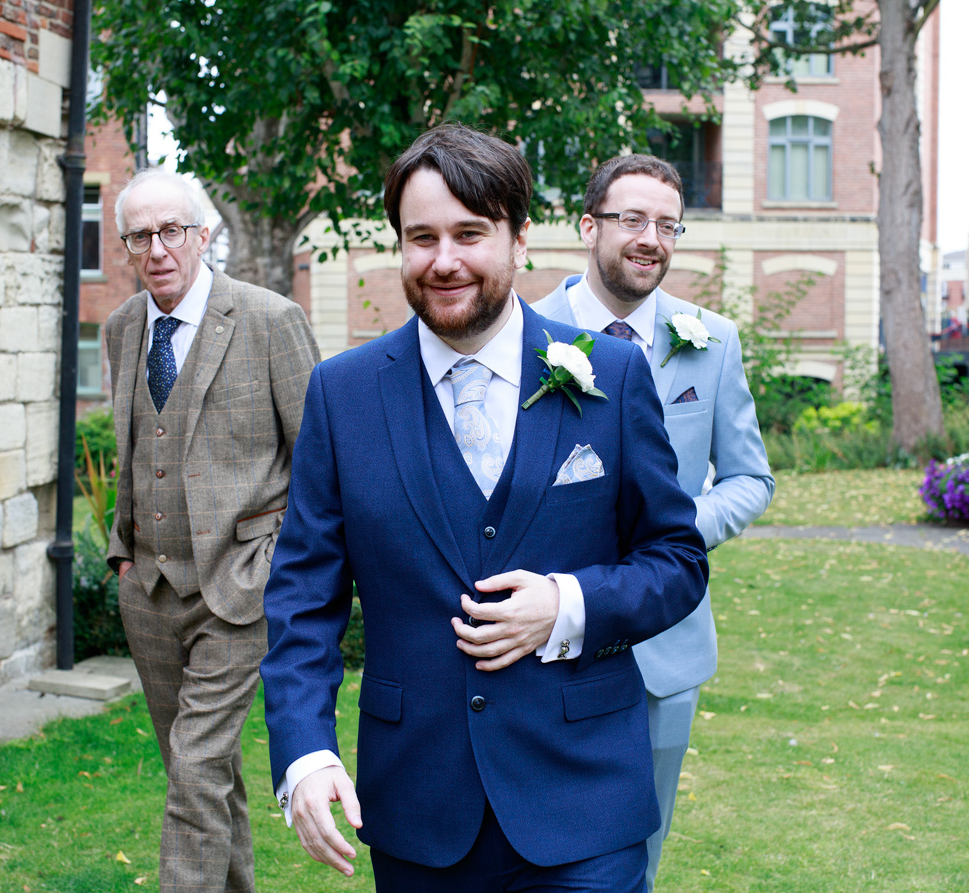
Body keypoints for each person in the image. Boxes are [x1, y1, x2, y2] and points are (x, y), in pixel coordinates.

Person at [259, 124, 710, 893]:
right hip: (419, 806)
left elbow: (676, 559)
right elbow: (303, 597)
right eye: (421, 236)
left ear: (519, 238)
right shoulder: (344, 394)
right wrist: (305, 752)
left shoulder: (614, 374)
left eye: (470, 233)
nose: (444, 260)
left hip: (584, 799)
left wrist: (568, 603)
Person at [533, 154, 774, 890]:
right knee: (543, 842)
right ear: (588, 225)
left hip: (667, 647)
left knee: (642, 849)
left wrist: (675, 532)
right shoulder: (524, 331)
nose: (652, 238)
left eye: (668, 224)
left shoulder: (713, 338)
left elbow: (751, 478)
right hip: (548, 638)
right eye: (633, 219)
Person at [104, 168, 319, 893]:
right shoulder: (121, 327)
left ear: (203, 235)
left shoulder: (269, 319)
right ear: (127, 246)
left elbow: (319, 462)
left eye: (172, 231)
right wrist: (121, 554)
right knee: (204, 772)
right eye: (141, 235)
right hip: (151, 591)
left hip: (240, 586)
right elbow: (133, 445)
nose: (158, 248)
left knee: (196, 768)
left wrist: (279, 560)